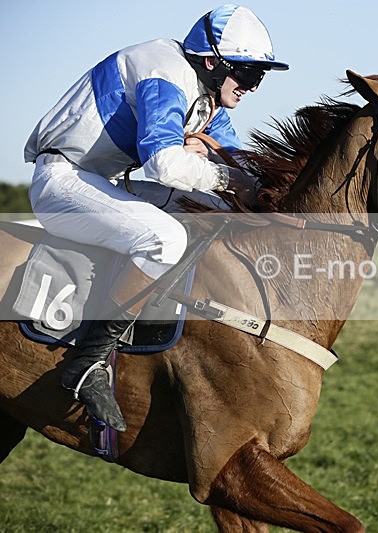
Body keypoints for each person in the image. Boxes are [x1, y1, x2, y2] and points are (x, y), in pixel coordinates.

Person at [23, 4, 288, 432]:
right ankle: (88, 362)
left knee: (220, 211)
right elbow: (164, 165)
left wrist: (267, 184)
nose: (253, 87)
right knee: (163, 238)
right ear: (212, 63)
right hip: (63, 182)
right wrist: (225, 176)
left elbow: (240, 163)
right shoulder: (164, 73)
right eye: (250, 74)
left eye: (259, 76)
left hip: (102, 182)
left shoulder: (207, 94)